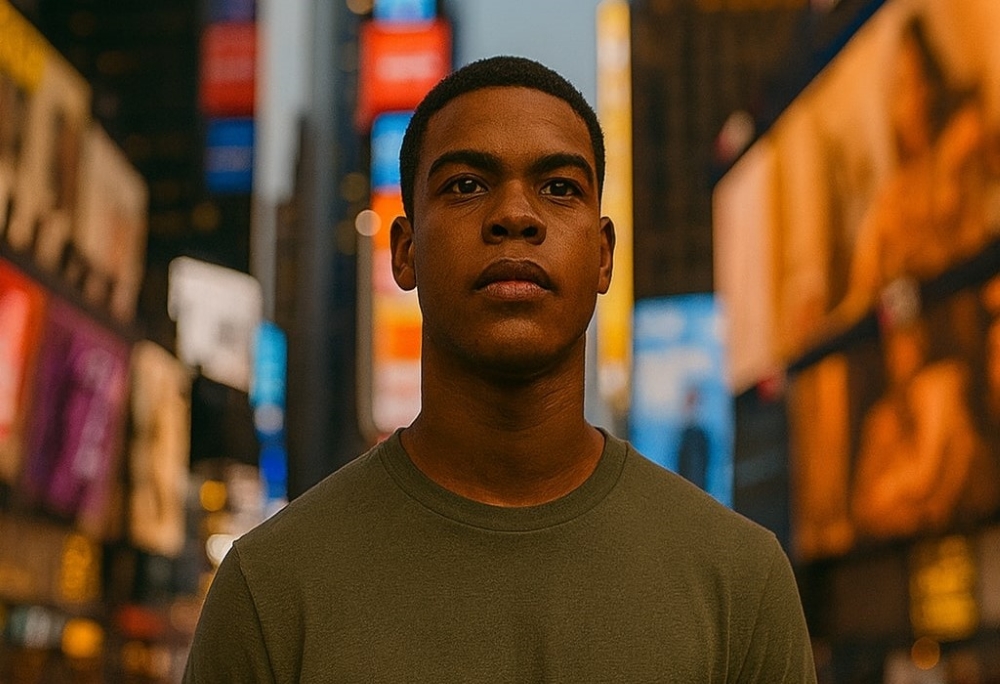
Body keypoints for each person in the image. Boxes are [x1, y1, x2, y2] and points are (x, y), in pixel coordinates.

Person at [183, 56, 816, 682]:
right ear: (404, 251)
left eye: (560, 187)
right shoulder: (268, 590)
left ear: (603, 257)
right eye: (466, 185)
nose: (516, 215)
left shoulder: (741, 582)